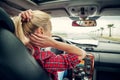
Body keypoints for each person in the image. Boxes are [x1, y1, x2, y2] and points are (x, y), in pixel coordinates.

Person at [12, 10, 86, 80]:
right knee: (64, 72)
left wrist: (20, 19)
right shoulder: (44, 59)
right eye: (50, 31)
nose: (51, 34)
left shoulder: (15, 49)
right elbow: (81, 54)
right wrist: (54, 43)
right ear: (40, 31)